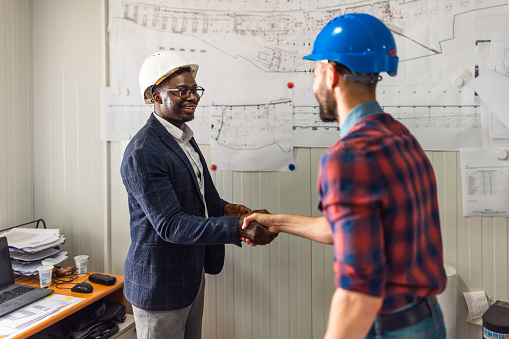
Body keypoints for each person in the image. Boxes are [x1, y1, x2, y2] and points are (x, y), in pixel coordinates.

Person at [243, 13, 447, 339]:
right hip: (429, 321)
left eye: (315, 72)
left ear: (332, 74)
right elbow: (350, 231)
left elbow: (357, 295)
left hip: (387, 328)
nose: (313, 85)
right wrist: (277, 222)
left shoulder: (348, 157)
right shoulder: (399, 136)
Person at [120, 50, 276, 339]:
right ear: (156, 96)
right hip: (160, 284)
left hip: (190, 274)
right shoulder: (143, 152)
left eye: (195, 89)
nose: (193, 96)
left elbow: (199, 198)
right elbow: (171, 224)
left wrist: (231, 211)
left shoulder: (183, 138)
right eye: (182, 90)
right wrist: (237, 229)